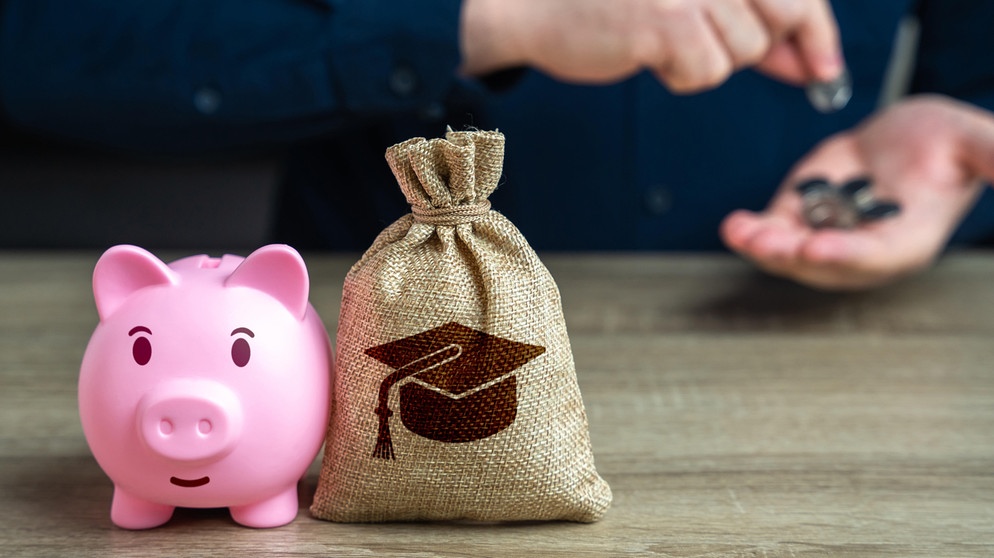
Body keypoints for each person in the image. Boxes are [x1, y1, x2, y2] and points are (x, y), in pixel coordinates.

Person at [2, 0, 993, 290]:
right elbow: (43, 46)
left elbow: (975, 86)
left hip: (834, 367)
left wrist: (963, 156)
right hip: (364, 392)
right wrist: (477, 20)